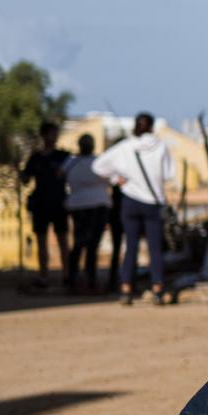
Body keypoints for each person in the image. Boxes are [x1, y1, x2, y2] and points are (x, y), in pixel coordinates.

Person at [92, 113, 175, 305]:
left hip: (130, 201)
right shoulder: (161, 147)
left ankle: (126, 288)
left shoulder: (125, 147)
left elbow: (98, 166)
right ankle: (157, 288)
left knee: (131, 246)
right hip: (153, 203)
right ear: (152, 127)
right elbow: (169, 174)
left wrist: (116, 179)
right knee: (155, 248)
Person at [20, 123, 71, 289]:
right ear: (44, 135)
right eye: (51, 133)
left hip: (59, 203)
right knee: (41, 241)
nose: (54, 137)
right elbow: (26, 179)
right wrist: (20, 172)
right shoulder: (35, 158)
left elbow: (72, 176)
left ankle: (67, 275)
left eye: (56, 133)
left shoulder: (64, 156)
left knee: (63, 240)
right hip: (41, 204)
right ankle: (44, 276)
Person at [62, 133, 113, 292]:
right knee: (91, 244)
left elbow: (60, 176)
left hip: (77, 206)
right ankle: (89, 278)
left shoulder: (70, 163)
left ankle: (74, 278)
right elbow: (110, 179)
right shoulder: (98, 162)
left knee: (79, 242)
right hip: (97, 205)